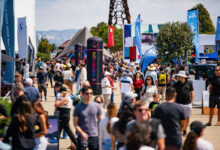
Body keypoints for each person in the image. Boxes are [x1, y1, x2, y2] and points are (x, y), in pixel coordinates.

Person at [173, 71, 194, 135]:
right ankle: (181, 130)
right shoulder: (176, 84)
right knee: (180, 118)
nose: (178, 77)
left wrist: (191, 101)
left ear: (183, 77)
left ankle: (185, 129)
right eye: (178, 76)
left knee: (187, 117)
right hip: (179, 103)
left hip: (188, 103)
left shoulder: (189, 83)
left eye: (179, 76)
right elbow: (174, 94)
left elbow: (192, 92)